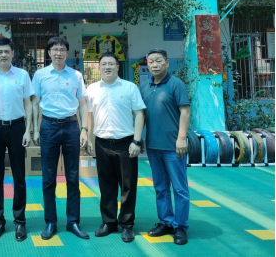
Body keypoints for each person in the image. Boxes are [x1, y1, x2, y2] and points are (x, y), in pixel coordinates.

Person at [31, 37, 89, 241]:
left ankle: (73, 221)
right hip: (48, 127)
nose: (58, 53)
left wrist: (84, 129)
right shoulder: (40, 75)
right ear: (48, 53)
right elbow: (35, 103)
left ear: (67, 52)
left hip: (71, 126)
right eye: (55, 49)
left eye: (62, 49)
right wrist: (36, 129)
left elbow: (83, 104)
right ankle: (50, 222)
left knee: (73, 176)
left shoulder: (76, 75)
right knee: (48, 177)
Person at [86, 52, 146, 243]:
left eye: (111, 64)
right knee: (106, 185)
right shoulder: (92, 89)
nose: (108, 67)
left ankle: (127, 225)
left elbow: (140, 114)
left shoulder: (129, 87)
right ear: (99, 67)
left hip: (125, 143)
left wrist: (136, 141)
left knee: (128, 186)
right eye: (104, 64)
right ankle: (109, 222)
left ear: (118, 67)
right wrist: (89, 138)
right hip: (101, 142)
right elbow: (89, 115)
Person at [0, 37, 33, 242]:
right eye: (0, 52)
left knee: (19, 176)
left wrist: (28, 130)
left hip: (18, 127)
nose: (3, 55)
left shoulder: (23, 75)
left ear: (12, 53)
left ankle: (20, 221)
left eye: (6, 51)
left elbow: (28, 103)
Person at [140, 48, 191, 246]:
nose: (154, 64)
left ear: (167, 63)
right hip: (153, 147)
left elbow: (185, 112)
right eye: (150, 61)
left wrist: (181, 138)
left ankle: (180, 227)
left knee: (179, 188)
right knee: (160, 187)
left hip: (173, 147)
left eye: (158, 61)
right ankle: (166, 222)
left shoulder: (176, 84)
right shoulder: (144, 87)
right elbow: (140, 115)